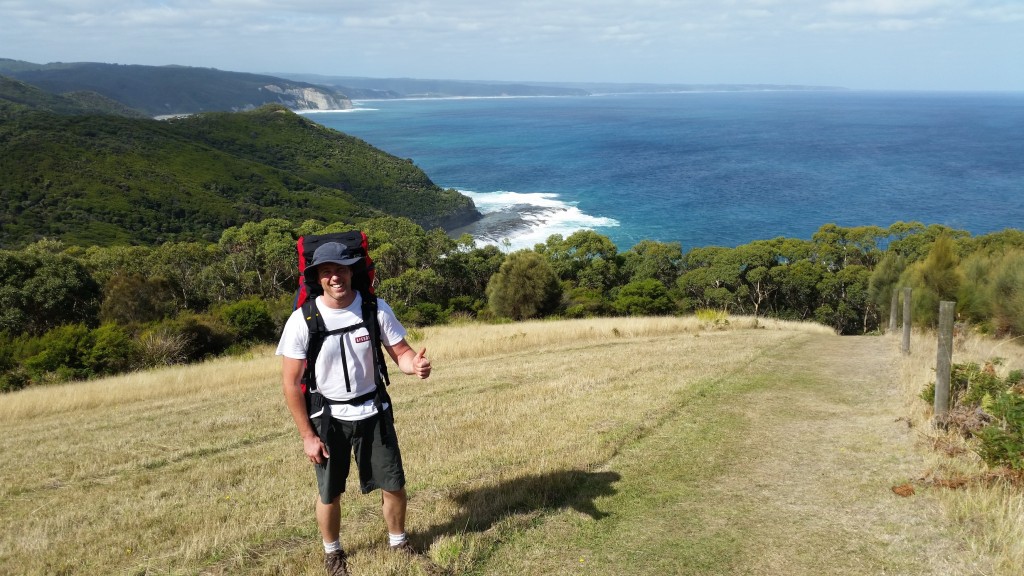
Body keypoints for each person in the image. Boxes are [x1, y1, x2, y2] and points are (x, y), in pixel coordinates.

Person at [277, 241, 432, 576]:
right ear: (317, 277)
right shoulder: (303, 321)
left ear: (352, 272)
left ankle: (399, 542)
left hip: (374, 411)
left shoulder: (374, 308)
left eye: (342, 269)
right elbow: (291, 384)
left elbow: (401, 352)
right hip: (328, 418)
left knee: (393, 483)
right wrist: (307, 436)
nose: (336, 278)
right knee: (329, 492)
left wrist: (414, 366)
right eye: (327, 271)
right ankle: (333, 554)